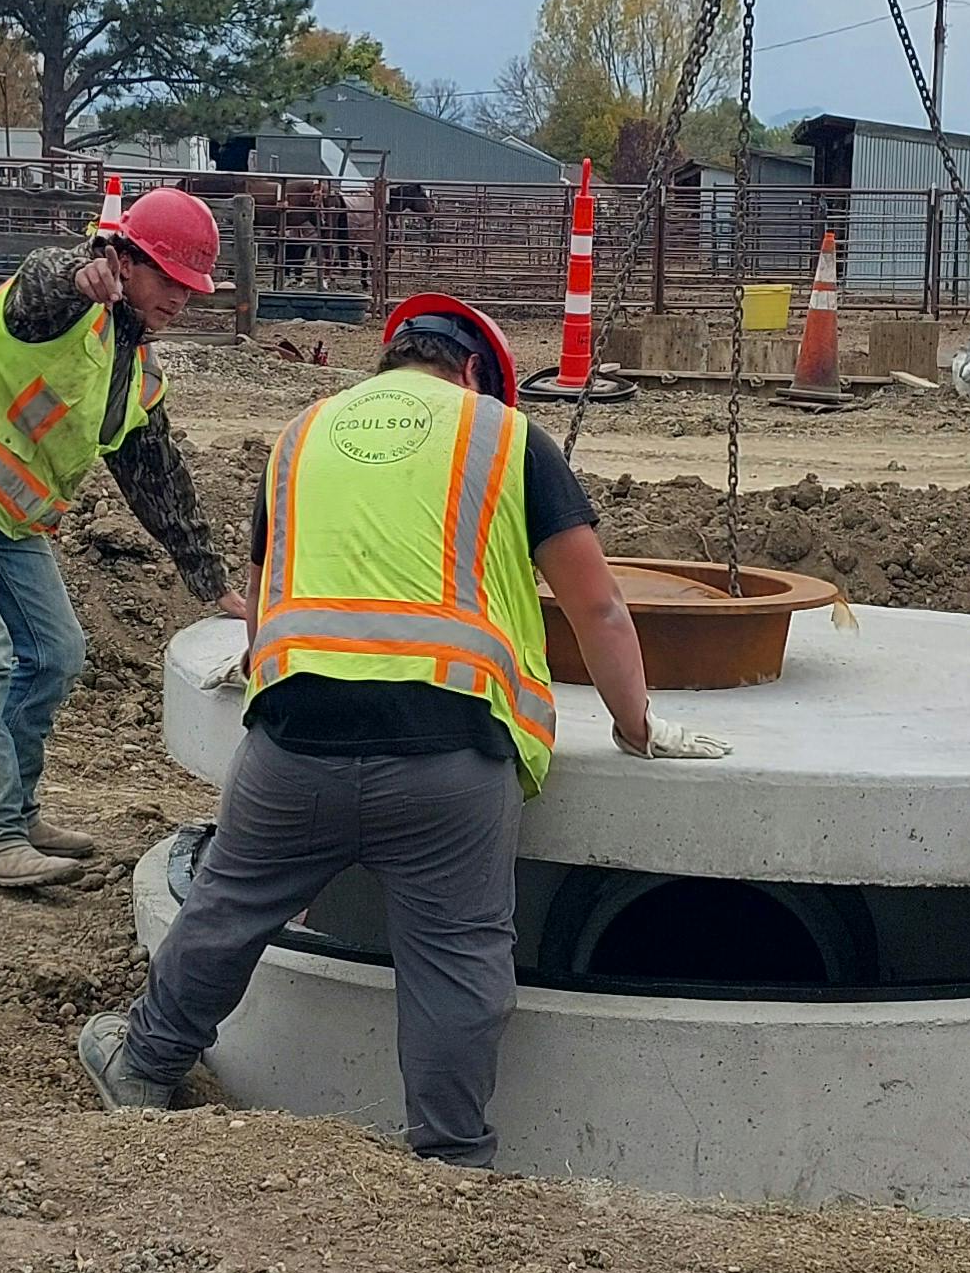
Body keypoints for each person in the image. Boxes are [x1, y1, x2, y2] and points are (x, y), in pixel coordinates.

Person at [78, 291, 693, 1167]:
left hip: (293, 739)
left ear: (388, 362)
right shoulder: (506, 436)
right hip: (447, 754)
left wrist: (266, 671)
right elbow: (596, 605)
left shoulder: (300, 436)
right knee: (457, 959)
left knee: (225, 907)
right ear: (476, 372)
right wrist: (637, 725)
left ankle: (142, 1066)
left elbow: (269, 591)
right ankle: (449, 1160)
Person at [0, 187, 238, 893]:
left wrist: (212, 581)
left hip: (8, 513)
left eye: (190, 288)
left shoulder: (133, 370)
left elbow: (158, 480)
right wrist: (83, 277)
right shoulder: (62, 298)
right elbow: (43, 280)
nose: (179, 299)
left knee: (54, 653)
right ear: (122, 258)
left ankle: (13, 813)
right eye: (167, 278)